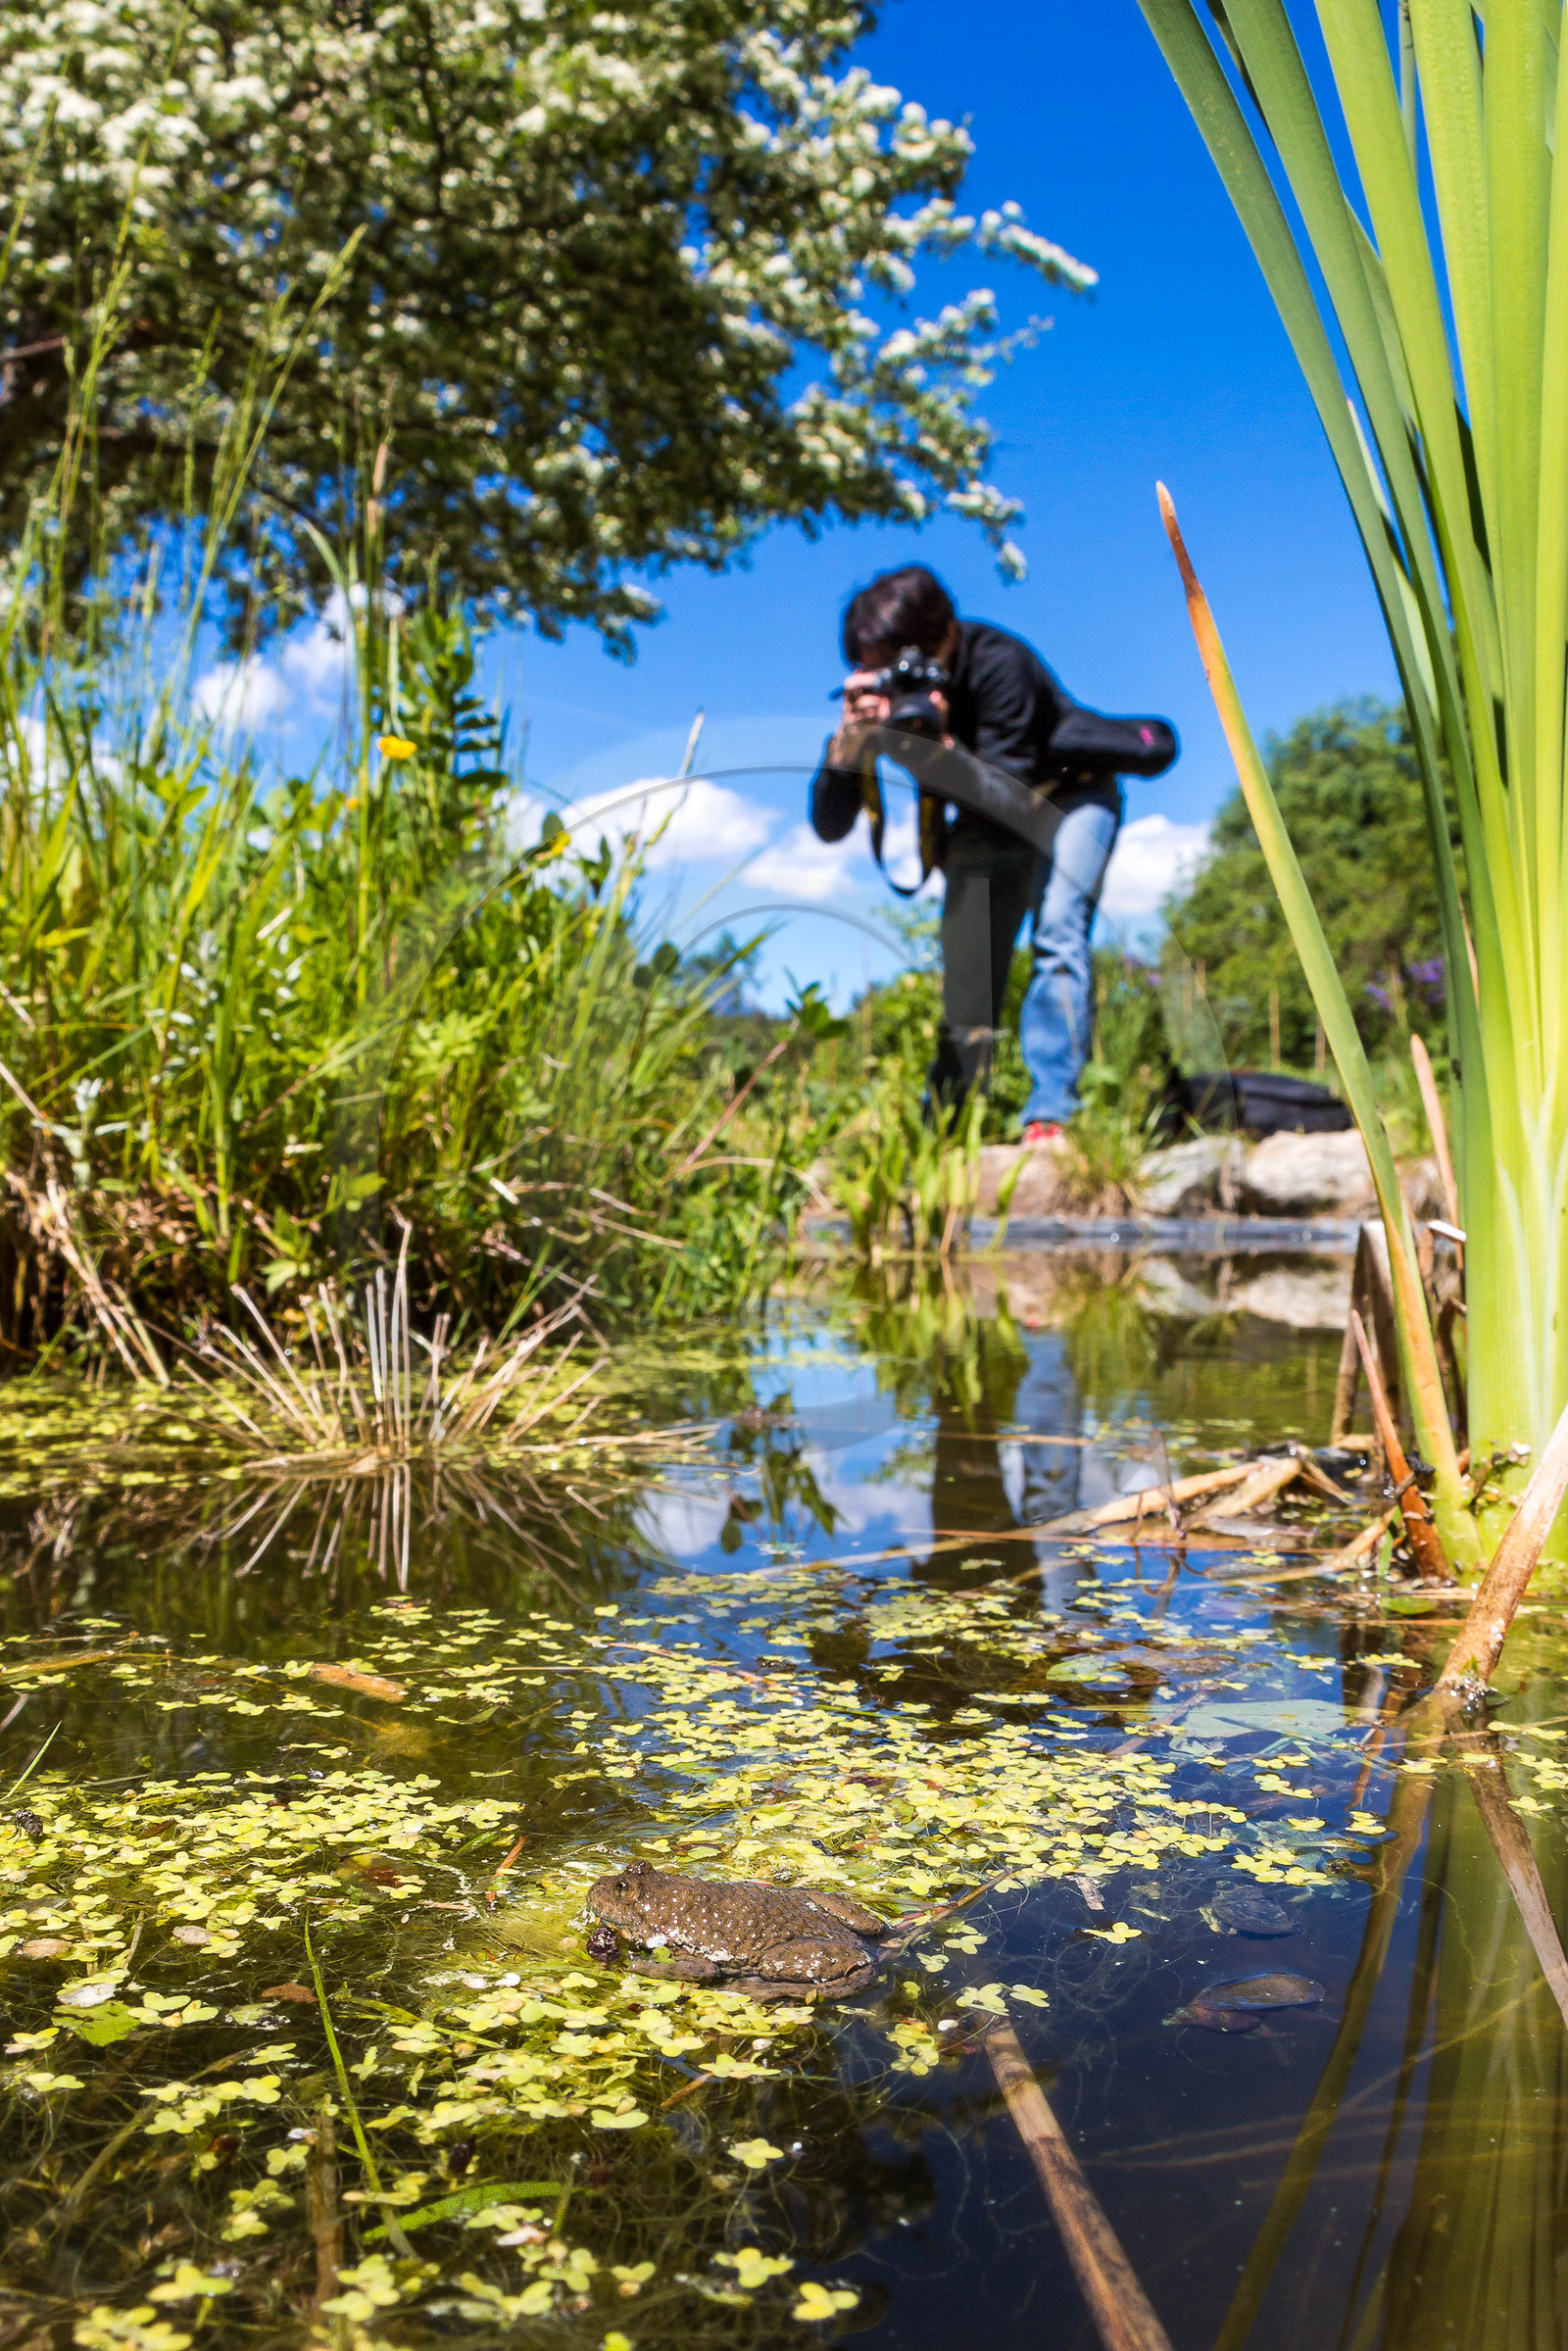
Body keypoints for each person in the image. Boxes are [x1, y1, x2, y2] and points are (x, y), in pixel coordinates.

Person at [808, 563, 1123, 1141]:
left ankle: (1051, 1115)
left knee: (1057, 929)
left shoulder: (999, 661)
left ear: (943, 632)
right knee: (970, 971)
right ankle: (947, 1130)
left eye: (895, 661)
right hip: (984, 815)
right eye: (868, 666)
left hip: (1069, 796)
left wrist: (939, 746)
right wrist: (847, 749)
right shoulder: (881, 703)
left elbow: (1016, 798)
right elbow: (829, 827)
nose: (888, 679)